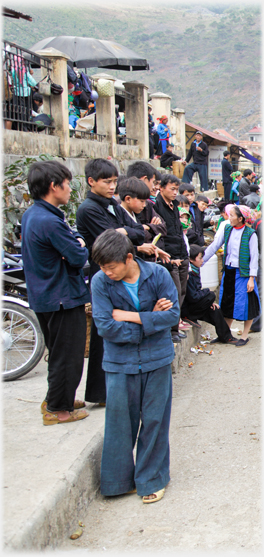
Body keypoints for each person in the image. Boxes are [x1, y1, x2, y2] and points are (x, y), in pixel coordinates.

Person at [90, 228, 180, 502]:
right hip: (119, 363)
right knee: (119, 423)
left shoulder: (158, 275)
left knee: (155, 421)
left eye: (111, 267)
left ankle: (151, 479)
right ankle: (118, 481)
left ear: (129, 258)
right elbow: (106, 326)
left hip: (157, 360)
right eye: (103, 268)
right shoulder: (99, 282)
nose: (107, 272)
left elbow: (173, 315)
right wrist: (149, 320)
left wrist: (131, 316)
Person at [21, 161, 90, 425]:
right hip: (62, 296)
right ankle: (58, 409)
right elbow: (76, 256)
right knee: (68, 356)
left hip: (44, 295)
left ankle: (58, 396)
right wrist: (80, 244)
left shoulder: (33, 215)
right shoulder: (50, 221)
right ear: (54, 186)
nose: (70, 189)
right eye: (67, 184)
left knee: (58, 352)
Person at [76, 158, 145, 404]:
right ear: (91, 181)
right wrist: (126, 233)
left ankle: (121, 387)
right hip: (104, 275)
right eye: (107, 182)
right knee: (102, 335)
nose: (112, 186)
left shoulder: (113, 206)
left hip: (122, 272)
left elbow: (139, 231)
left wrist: (125, 232)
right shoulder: (88, 209)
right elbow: (110, 240)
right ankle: (100, 393)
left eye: (115, 181)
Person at [203, 205, 260, 346]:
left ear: (240, 218)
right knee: (226, 302)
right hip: (229, 271)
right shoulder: (227, 229)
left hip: (243, 274)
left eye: (232, 215)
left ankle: (245, 335)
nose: (229, 218)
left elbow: (254, 257)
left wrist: (252, 278)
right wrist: (200, 261)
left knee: (247, 304)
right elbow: (215, 246)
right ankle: (225, 334)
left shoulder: (250, 234)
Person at [155, 176, 190, 341]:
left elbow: (178, 231)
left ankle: (175, 328)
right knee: (173, 293)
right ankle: (171, 331)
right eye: (172, 189)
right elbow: (161, 235)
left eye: (177, 189)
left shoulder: (175, 206)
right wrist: (170, 258)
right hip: (169, 256)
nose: (175, 192)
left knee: (182, 292)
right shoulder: (156, 207)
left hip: (182, 254)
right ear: (161, 188)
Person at [181, 245, 237, 343]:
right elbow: (193, 297)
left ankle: (225, 337)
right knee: (211, 295)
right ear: (191, 260)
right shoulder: (188, 274)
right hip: (188, 309)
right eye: (200, 258)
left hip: (195, 306)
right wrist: (207, 293)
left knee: (215, 310)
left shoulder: (195, 270)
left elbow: (197, 293)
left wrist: (208, 302)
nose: (202, 260)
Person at [119, 177, 170, 263]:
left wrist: (147, 228)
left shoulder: (134, 214)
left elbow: (162, 228)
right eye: (142, 201)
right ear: (128, 199)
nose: (144, 205)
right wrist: (139, 247)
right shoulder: (119, 216)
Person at [11, 55, 37, 131]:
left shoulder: (13, 70)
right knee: (26, 110)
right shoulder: (24, 71)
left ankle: (19, 126)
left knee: (18, 110)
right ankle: (26, 126)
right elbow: (33, 83)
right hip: (26, 93)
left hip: (16, 93)